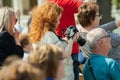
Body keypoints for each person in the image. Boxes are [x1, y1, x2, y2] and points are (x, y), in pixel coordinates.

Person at [29, 2, 79, 80]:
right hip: (62, 76)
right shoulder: (50, 35)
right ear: (51, 20)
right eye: (58, 19)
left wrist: (64, 40)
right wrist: (71, 40)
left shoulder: (38, 34)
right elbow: (65, 55)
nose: (59, 22)